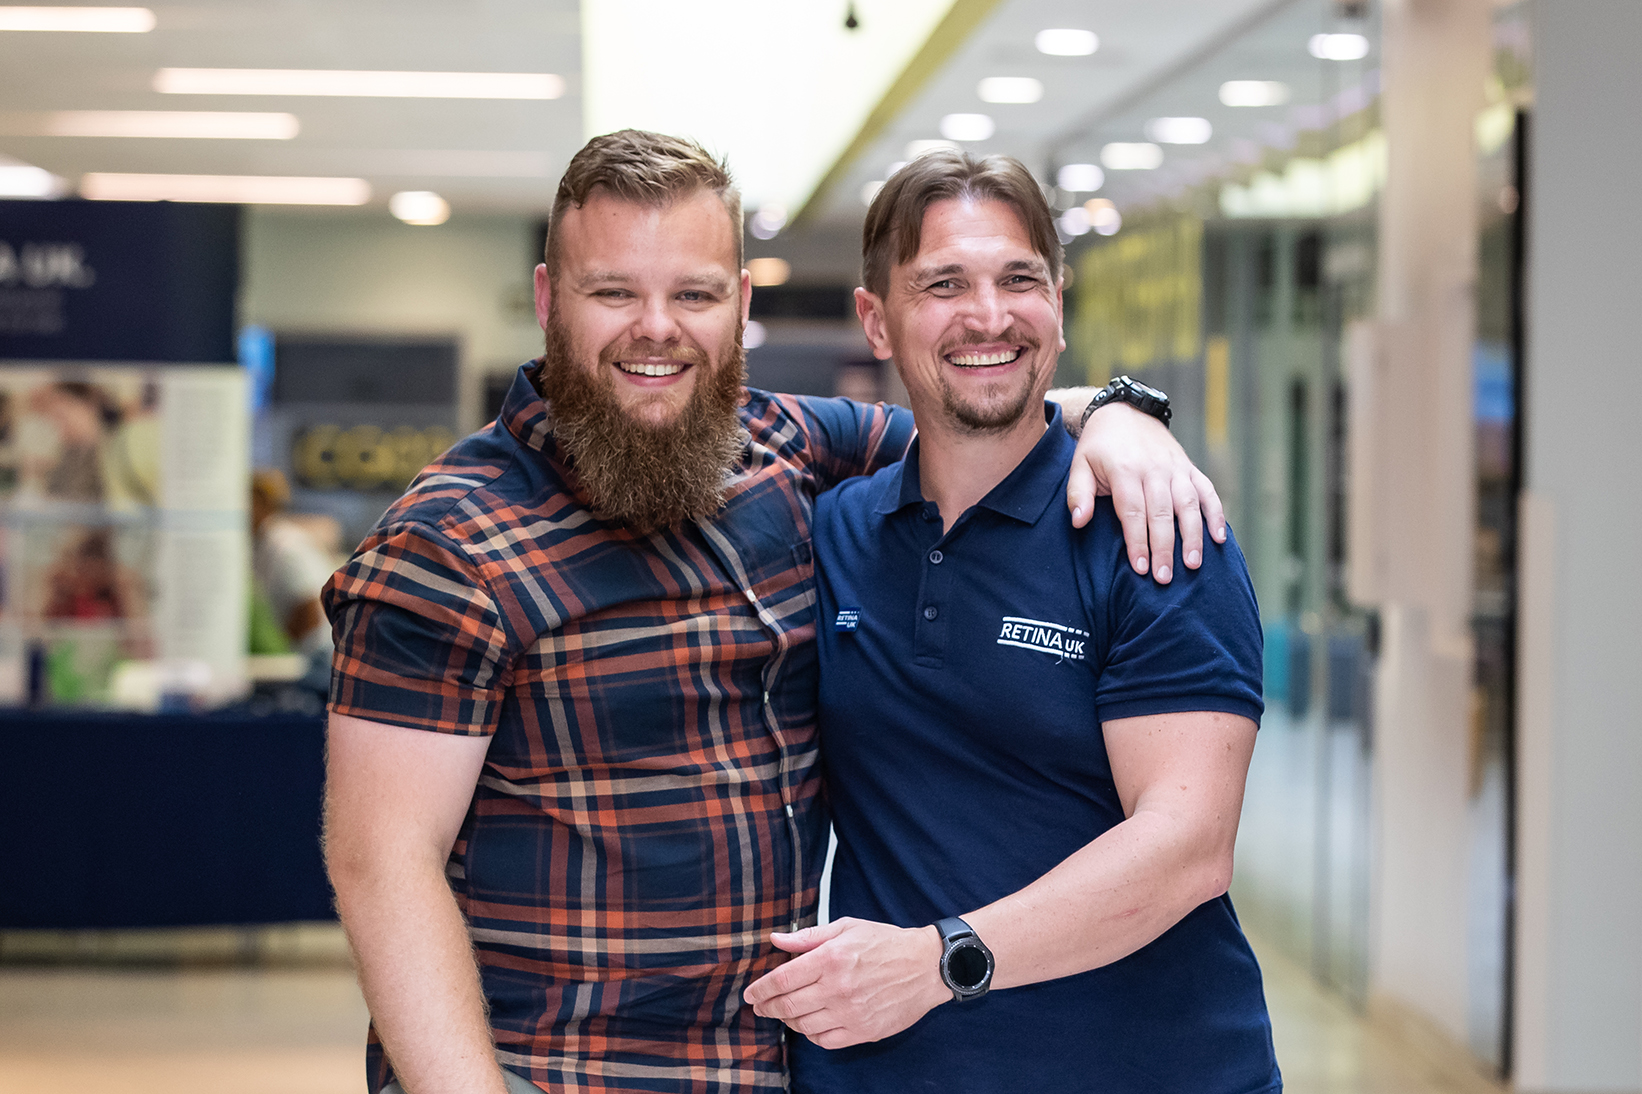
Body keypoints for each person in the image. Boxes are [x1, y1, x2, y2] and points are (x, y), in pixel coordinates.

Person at [321, 130, 1224, 1094]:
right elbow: (381, 864)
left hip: (765, 1068)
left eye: (696, 293)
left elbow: (976, 404)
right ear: (550, 301)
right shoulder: (447, 543)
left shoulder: (777, 448)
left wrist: (1118, 412)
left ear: (740, 305)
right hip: (557, 1070)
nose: (656, 328)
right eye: (614, 291)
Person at [744, 151, 1279, 1093]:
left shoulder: (1153, 531)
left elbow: (1187, 847)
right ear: (876, 320)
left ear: (1059, 306)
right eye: (944, 284)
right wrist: (1116, 407)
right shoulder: (832, 532)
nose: (988, 316)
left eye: (1018, 280)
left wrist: (935, 963)